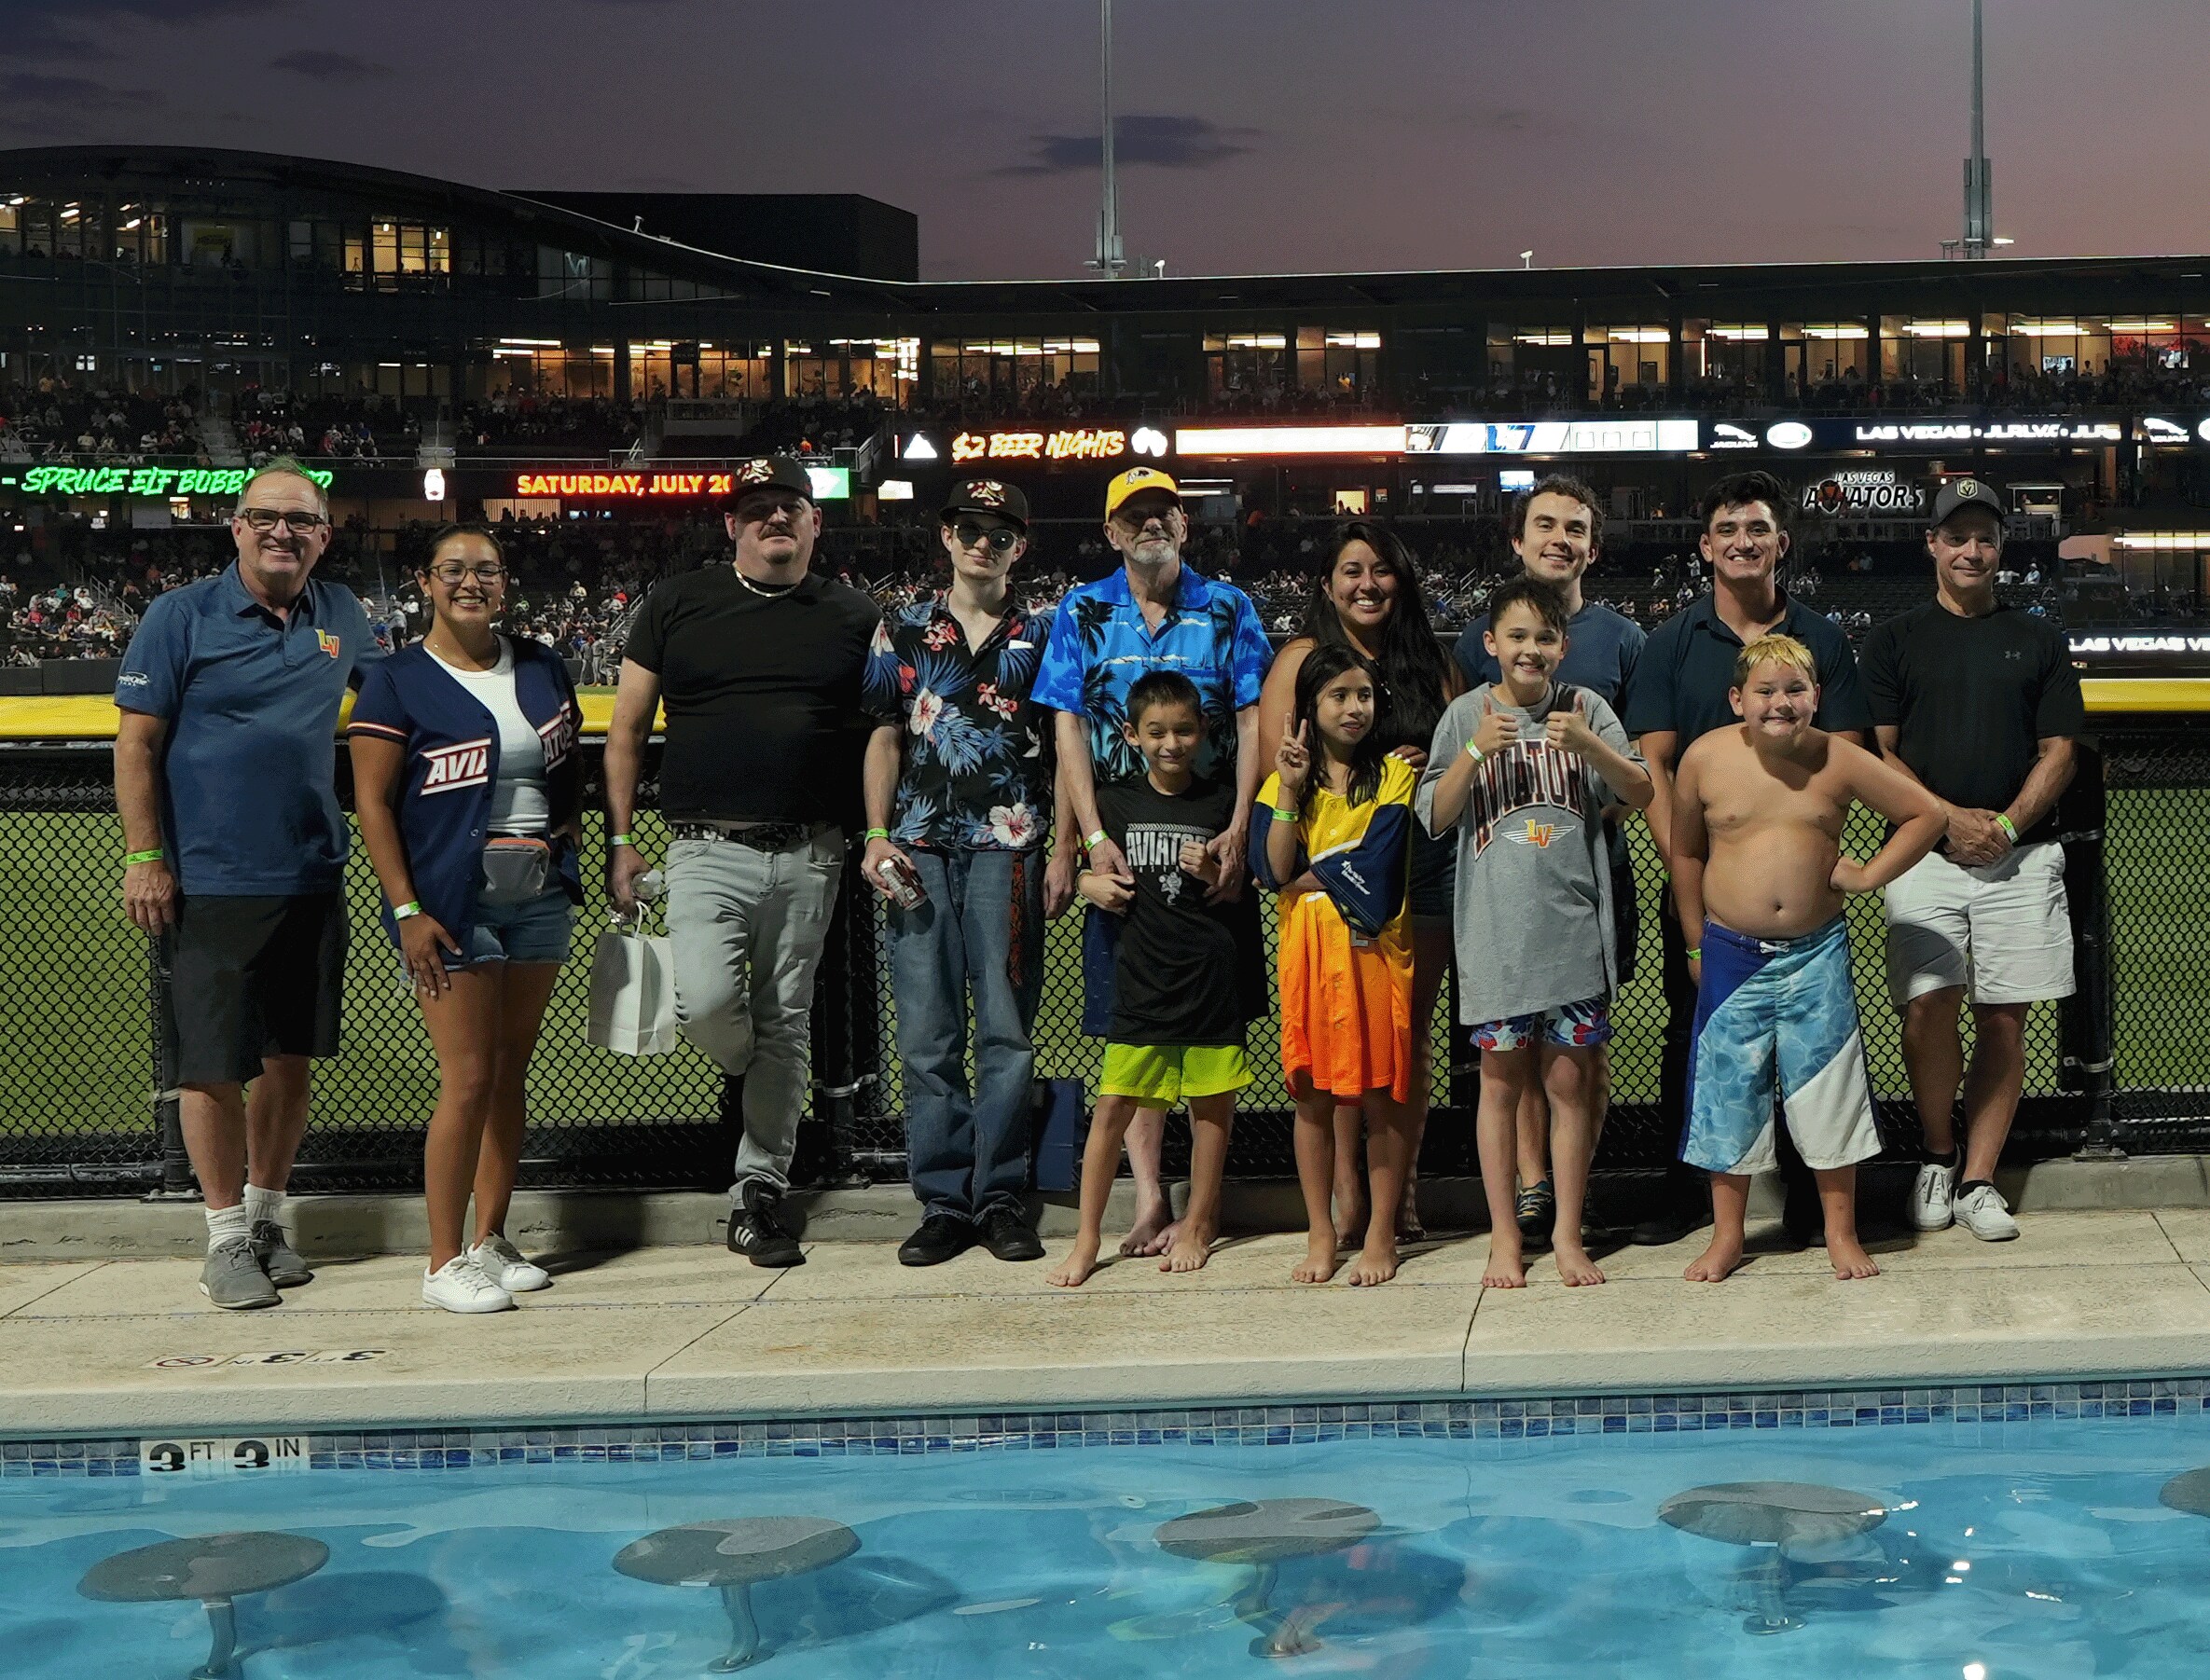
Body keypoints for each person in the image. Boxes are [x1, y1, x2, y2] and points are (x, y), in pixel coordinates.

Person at [603, 456, 879, 1269]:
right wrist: (621, 840)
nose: (775, 520)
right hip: (704, 848)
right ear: (732, 526)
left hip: (811, 852)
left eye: (790, 506)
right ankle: (758, 1081)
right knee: (712, 1006)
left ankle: (759, 1192)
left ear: (815, 522)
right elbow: (625, 730)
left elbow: (879, 734)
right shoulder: (678, 602)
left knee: (785, 1020)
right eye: (757, 509)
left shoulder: (853, 614)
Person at [114, 457, 375, 1310]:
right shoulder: (178, 614)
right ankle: (224, 1237)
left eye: (300, 520)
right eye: (265, 516)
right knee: (210, 1067)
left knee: (289, 1063)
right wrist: (146, 857)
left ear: (324, 537)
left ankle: (267, 1220)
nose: (281, 531)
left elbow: (394, 710)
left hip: (310, 873)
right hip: (211, 881)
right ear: (236, 528)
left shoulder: (343, 615)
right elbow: (137, 746)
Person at [1623, 470, 1872, 1247]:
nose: (1742, 542)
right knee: (1696, 1037)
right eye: (1727, 530)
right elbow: (1653, 765)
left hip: (1800, 902)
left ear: (1780, 543)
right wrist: (1685, 864)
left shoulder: (1821, 638)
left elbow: (1850, 751)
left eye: (1757, 529)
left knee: (1810, 1047)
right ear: (1705, 546)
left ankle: (1806, 1203)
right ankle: (1687, 1192)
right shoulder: (1673, 640)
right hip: (1707, 888)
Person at [1032, 466, 1271, 1259]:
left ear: (1184, 524)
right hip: (1121, 836)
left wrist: (1239, 826)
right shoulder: (1083, 607)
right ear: (1110, 531)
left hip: (1207, 834)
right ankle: (1148, 1200)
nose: (1150, 526)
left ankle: (1194, 1209)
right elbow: (1066, 729)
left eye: (1164, 512)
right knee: (1128, 1027)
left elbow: (1249, 714)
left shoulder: (1228, 606)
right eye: (1133, 516)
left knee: (1202, 1018)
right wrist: (1082, 839)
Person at [349, 525, 583, 1313]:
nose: (470, 582)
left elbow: (566, 778)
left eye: (485, 570)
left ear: (505, 583)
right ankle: (442, 1260)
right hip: (450, 907)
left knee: (510, 1072)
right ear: (426, 582)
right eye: (454, 570)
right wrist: (407, 909)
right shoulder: (396, 679)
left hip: (540, 897)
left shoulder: (544, 665)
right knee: (469, 1076)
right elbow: (373, 806)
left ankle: (491, 1237)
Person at [1670, 634, 1944, 1282]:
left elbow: (1925, 814)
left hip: (1815, 954)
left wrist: (1871, 874)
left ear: (1816, 697)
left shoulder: (1840, 759)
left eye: (1795, 689)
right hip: (1730, 953)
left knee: (1828, 1091)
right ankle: (1728, 1235)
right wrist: (1692, 941)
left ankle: (1840, 1231)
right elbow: (1684, 853)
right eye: (1765, 690)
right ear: (1738, 699)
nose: (1781, 702)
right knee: (1727, 1092)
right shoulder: (1704, 758)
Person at [1860, 477, 2084, 1241]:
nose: (1972, 550)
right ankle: (1937, 1153)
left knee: (2004, 1019)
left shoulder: (2038, 637)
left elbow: (2060, 753)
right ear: (1932, 544)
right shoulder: (1894, 639)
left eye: (1985, 537)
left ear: (2000, 548)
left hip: (2019, 859)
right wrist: (1950, 821)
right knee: (1926, 1005)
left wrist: (2007, 829)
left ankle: (1980, 1179)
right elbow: (1880, 754)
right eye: (1956, 536)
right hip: (1923, 852)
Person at [1418, 576, 1652, 1290]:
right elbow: (1434, 815)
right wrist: (1473, 753)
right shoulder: (1466, 715)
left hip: (1576, 939)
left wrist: (1588, 746)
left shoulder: (1587, 708)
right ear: (1490, 644)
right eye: (1515, 636)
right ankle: (1503, 1238)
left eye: (1543, 637)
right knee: (1498, 1086)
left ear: (1563, 647)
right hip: (1496, 944)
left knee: (1570, 1084)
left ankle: (1568, 1234)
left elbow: (1640, 793)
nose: (1530, 648)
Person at [861, 479, 1057, 1266]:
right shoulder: (902, 627)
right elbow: (881, 734)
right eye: (970, 529)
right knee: (926, 1033)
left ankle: (1001, 1194)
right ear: (946, 536)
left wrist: (1068, 845)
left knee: (1007, 1031)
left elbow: (1067, 740)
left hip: (1009, 846)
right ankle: (944, 1201)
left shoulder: (1041, 634)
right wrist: (875, 833)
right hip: (917, 847)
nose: (984, 542)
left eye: (1000, 532)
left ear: (1020, 545)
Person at [1453, 475, 1646, 1248]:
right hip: (1505, 876)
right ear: (1518, 538)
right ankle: (1533, 1185)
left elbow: (1640, 768)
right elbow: (1459, 764)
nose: (1558, 538)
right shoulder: (1478, 642)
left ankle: (1572, 1193)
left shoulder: (1622, 638)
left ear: (1592, 546)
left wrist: (1597, 791)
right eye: (1544, 524)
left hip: (1587, 864)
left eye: (1574, 527)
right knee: (1514, 1062)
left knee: (1579, 1057)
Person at [1256, 522, 1458, 1246]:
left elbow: (1453, 757)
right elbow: (1276, 773)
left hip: (1420, 867)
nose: (1367, 583)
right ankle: (1345, 1189)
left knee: (1402, 1036)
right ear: (1327, 584)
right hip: (1322, 874)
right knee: (1337, 1041)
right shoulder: (1301, 661)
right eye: (1351, 570)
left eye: (1381, 570)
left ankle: (1396, 1192)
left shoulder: (1429, 660)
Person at [1047, 672, 1261, 1288]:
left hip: (1209, 979)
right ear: (1131, 734)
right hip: (1140, 984)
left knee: (1212, 1109)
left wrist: (1222, 865)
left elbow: (1246, 881)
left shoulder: (1223, 804)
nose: (1172, 743)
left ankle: (1198, 1220)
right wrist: (1088, 882)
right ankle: (1087, 1239)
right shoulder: (1112, 803)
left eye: (1185, 730)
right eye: (1158, 731)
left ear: (1205, 731)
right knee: (1112, 1105)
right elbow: (1081, 873)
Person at [1252, 644, 1418, 1286]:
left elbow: (1378, 869)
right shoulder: (1280, 782)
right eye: (1339, 697)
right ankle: (1321, 1232)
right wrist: (1291, 793)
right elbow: (1271, 870)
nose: (1355, 709)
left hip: (1375, 956)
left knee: (1381, 1097)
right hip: (1309, 959)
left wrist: (1308, 874)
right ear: (1310, 707)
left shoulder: (1395, 777)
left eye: (1364, 696)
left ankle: (1380, 1233)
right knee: (1314, 1098)